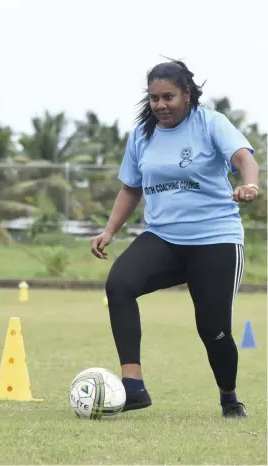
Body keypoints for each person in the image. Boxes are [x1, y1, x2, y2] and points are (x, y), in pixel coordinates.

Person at [91, 59, 260, 418]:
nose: (161, 105)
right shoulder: (141, 135)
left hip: (215, 238)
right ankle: (134, 388)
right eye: (154, 98)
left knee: (213, 329)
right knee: (120, 284)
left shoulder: (210, 122)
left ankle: (229, 398)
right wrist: (109, 230)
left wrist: (249, 184)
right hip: (164, 237)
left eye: (168, 97)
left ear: (187, 94)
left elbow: (244, 158)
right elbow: (130, 189)